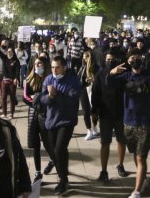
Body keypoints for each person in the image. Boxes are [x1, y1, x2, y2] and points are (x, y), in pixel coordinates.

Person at [107, 48, 150, 198]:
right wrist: (111, 73)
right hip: (128, 122)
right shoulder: (125, 76)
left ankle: (137, 191)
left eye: (137, 58)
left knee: (141, 157)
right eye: (132, 58)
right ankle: (143, 179)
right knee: (135, 153)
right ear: (128, 61)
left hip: (145, 123)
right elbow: (108, 84)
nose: (135, 61)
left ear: (142, 59)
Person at [40, 56, 81, 195]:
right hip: (51, 120)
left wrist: (56, 95)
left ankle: (63, 180)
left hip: (66, 120)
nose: (54, 70)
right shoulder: (48, 79)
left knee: (59, 149)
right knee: (54, 152)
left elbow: (73, 100)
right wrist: (50, 97)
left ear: (64, 67)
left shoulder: (73, 80)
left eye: (57, 67)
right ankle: (62, 173)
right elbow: (43, 100)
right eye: (52, 67)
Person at [91, 51, 128, 182]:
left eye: (112, 59)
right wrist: (94, 111)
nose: (110, 62)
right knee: (105, 143)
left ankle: (120, 165)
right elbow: (95, 93)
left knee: (121, 141)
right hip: (105, 113)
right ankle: (104, 170)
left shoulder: (123, 74)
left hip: (120, 113)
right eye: (108, 59)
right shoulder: (100, 74)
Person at [23, 57, 55, 183]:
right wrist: (37, 102)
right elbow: (25, 98)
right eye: (35, 64)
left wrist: (37, 98)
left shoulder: (50, 79)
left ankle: (54, 160)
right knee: (35, 144)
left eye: (39, 63)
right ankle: (37, 172)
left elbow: (51, 97)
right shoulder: (29, 79)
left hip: (47, 115)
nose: (37, 66)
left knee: (48, 143)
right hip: (33, 114)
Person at [77, 50, 99, 140]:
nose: (84, 59)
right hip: (83, 90)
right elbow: (78, 77)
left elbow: (99, 78)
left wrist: (93, 79)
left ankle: (94, 126)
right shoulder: (82, 66)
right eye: (83, 57)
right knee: (86, 111)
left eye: (86, 57)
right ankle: (89, 130)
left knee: (94, 111)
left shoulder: (95, 67)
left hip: (92, 90)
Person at [0, 48, 20, 119]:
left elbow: (18, 70)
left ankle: (11, 113)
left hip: (12, 81)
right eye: (8, 51)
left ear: (13, 52)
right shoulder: (4, 58)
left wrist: (16, 78)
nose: (9, 52)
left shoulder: (16, 60)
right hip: (4, 81)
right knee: (3, 97)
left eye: (10, 51)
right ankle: (4, 113)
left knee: (12, 97)